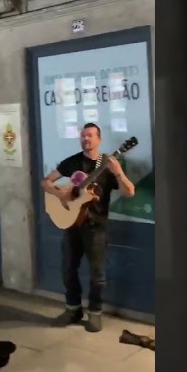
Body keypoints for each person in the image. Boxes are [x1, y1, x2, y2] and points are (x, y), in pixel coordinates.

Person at [41, 122, 136, 332]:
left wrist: (118, 172)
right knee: (68, 269)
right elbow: (46, 182)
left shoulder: (108, 165)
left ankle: (95, 313)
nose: (86, 139)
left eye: (90, 136)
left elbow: (130, 192)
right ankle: (73, 309)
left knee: (97, 275)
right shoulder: (73, 161)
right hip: (72, 224)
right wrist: (61, 194)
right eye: (83, 136)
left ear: (99, 140)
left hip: (96, 227)